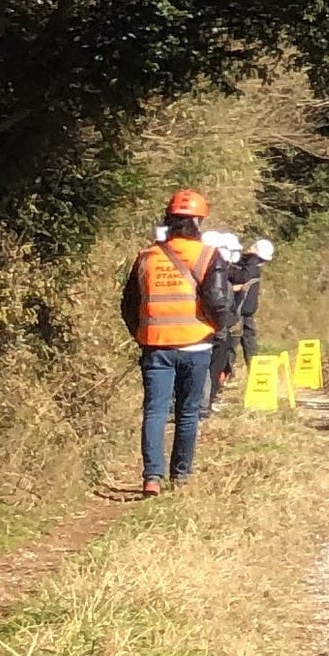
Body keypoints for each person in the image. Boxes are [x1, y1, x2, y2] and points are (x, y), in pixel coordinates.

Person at [121, 193, 221, 494]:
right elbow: (219, 301)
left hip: (155, 347)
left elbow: (128, 305)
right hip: (196, 345)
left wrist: (142, 335)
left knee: (154, 411)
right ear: (198, 222)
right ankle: (181, 476)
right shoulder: (207, 255)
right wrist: (216, 328)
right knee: (187, 412)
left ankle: (152, 477)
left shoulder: (147, 256)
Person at [206, 234, 270, 416]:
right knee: (231, 349)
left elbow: (239, 277)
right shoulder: (248, 265)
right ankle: (223, 382)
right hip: (236, 313)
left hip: (238, 313)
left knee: (232, 349)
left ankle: (225, 382)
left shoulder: (248, 265)